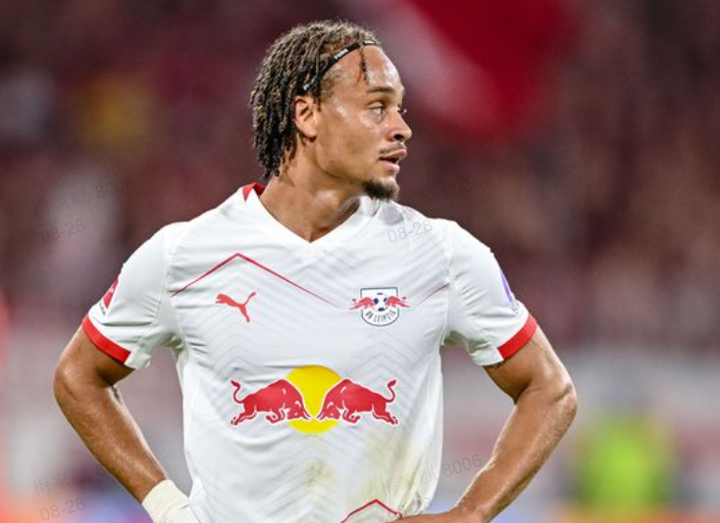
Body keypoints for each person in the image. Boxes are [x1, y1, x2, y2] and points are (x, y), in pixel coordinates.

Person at [54, 20, 577, 523]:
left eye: (399, 109)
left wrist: (471, 512)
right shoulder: (184, 255)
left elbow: (549, 389)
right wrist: (168, 507)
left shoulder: (440, 254)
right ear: (307, 115)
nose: (401, 128)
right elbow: (79, 376)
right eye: (377, 107)